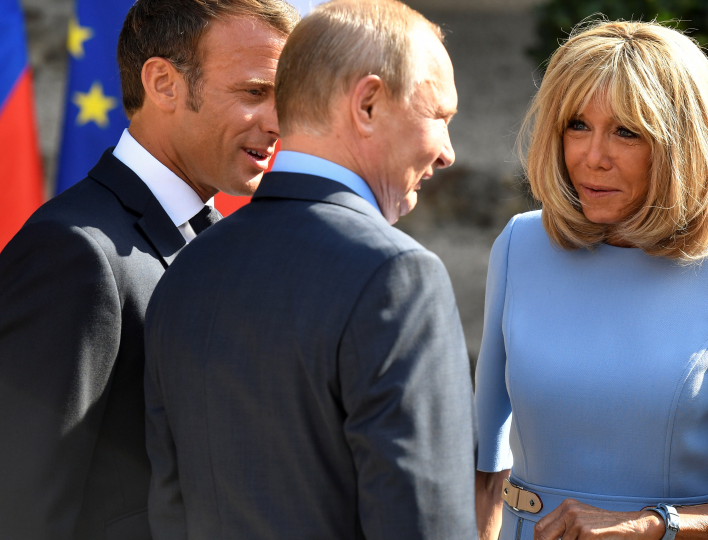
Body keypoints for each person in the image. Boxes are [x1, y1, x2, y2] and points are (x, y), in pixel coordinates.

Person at [475, 19, 708, 540]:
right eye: (577, 125)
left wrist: (655, 525)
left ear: (681, 144)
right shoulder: (519, 245)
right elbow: (484, 462)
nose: (593, 157)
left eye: (626, 132)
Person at [142, 1, 477, 538]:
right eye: (440, 116)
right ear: (367, 104)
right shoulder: (398, 276)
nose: (448, 153)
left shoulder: (189, 265)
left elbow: (169, 508)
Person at [0, 1, 297, 538]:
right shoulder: (73, 254)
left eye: (283, 97)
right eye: (253, 92)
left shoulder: (220, 241)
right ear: (164, 84)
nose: (278, 122)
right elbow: (15, 509)